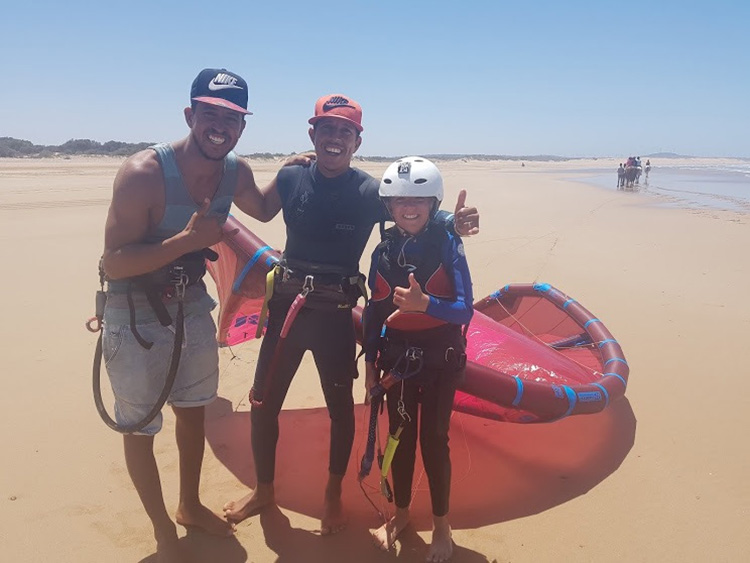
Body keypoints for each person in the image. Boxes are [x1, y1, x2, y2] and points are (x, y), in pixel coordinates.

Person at [222, 94, 480, 534]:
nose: (335, 138)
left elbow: (411, 213)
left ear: (357, 140)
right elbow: (262, 210)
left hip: (335, 315)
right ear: (313, 134)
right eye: (327, 129)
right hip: (288, 308)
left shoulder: (367, 192)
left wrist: (452, 225)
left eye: (345, 131)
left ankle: (331, 495)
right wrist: (272, 166)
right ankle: (264, 490)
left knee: (341, 410)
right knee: (263, 402)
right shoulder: (291, 177)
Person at [100, 68, 295, 563]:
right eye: (210, 114)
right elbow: (114, 262)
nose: (220, 126)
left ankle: (188, 505)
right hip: (134, 312)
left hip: (190, 307)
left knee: (192, 412)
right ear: (190, 115)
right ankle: (163, 530)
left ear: (242, 127)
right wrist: (188, 241)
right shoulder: (143, 173)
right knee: (140, 426)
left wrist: (296, 167)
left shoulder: (235, 172)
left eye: (231, 118)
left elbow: (266, 209)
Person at [363, 156, 473, 561]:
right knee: (400, 438)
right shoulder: (383, 251)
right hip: (399, 363)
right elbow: (374, 314)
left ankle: (442, 526)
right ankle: (403, 514)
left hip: (442, 359)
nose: (409, 207)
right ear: (388, 207)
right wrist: (370, 367)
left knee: (434, 441)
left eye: (420, 199)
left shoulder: (448, 242)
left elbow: (464, 310)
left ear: (434, 203)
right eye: (399, 200)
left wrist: (425, 304)